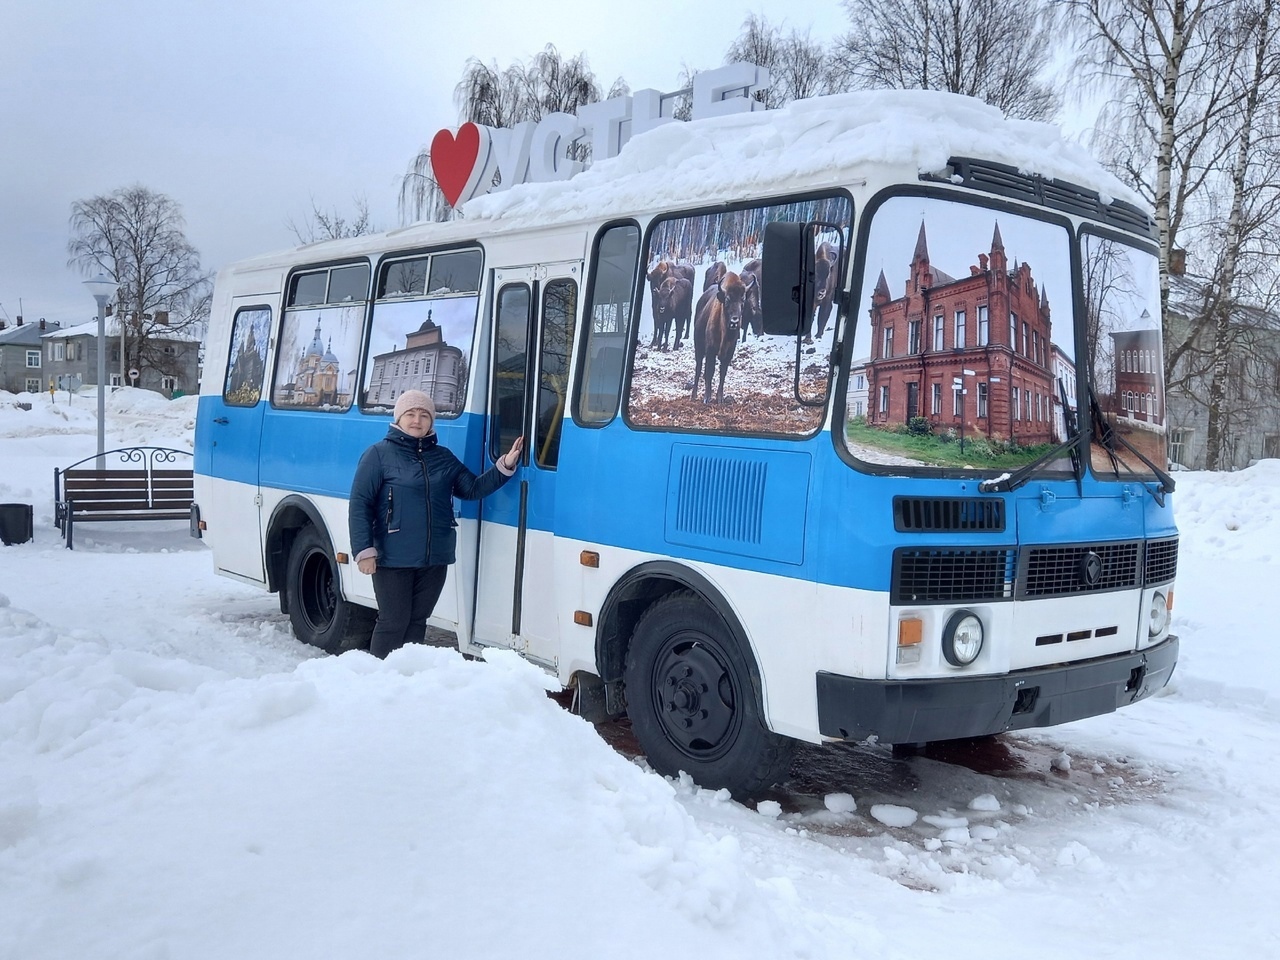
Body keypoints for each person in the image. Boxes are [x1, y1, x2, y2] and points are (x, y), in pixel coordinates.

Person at [349, 389, 523, 658]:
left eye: (423, 415)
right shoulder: (378, 455)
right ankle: (379, 682)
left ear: (431, 421)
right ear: (398, 418)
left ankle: (408, 679)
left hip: (434, 558)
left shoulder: (443, 457)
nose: (417, 420)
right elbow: (360, 505)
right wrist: (364, 551)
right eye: (410, 414)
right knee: (393, 622)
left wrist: (504, 466)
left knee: (418, 622)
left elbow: (472, 489)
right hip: (392, 557)